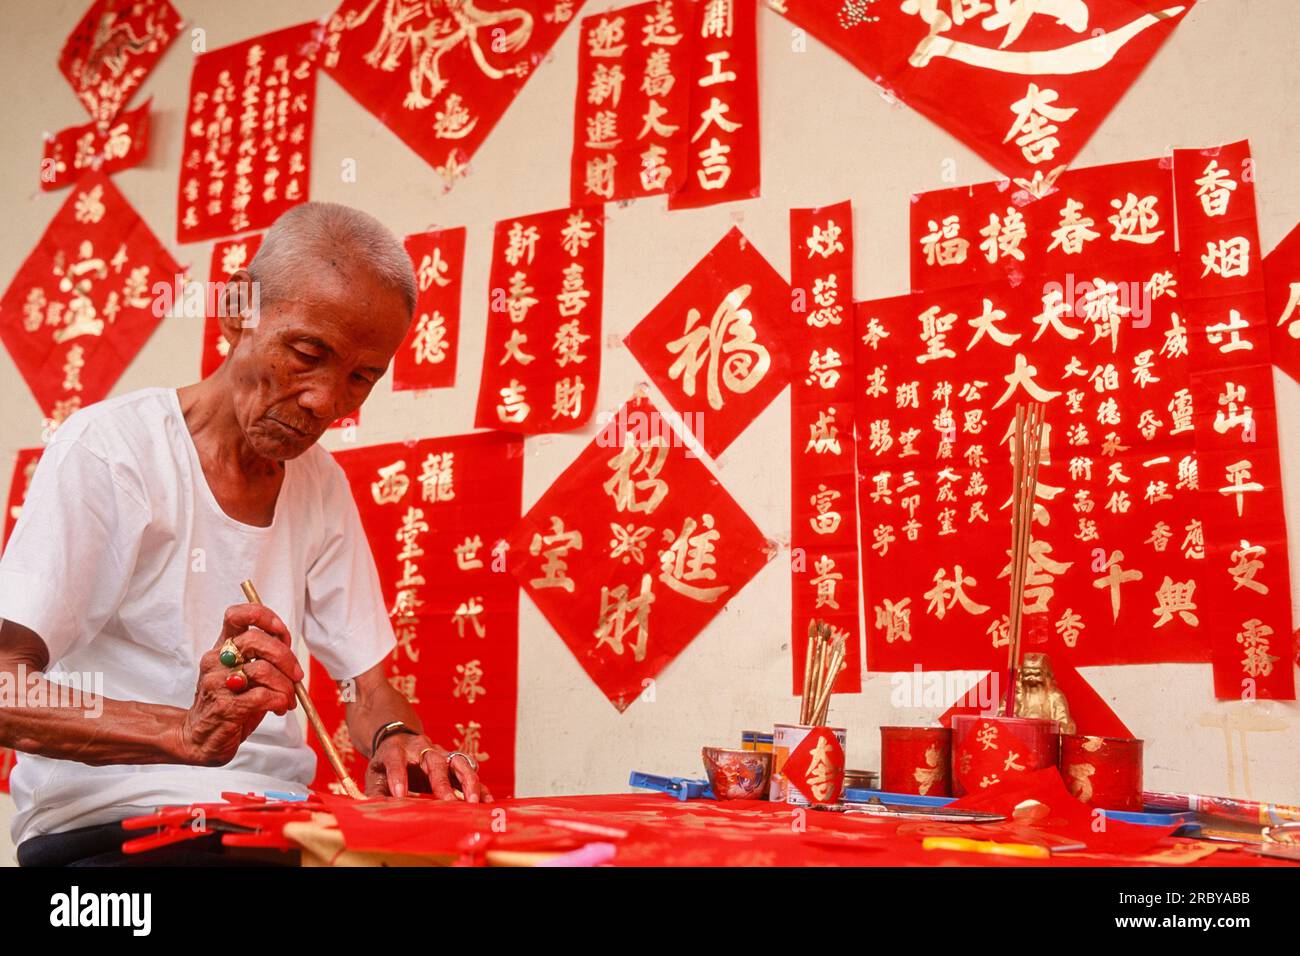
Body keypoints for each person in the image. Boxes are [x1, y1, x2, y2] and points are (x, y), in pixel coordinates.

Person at [0, 202, 490, 866]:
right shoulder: (113, 451)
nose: (325, 401)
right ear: (238, 306)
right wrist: (183, 734)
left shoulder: (320, 486)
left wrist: (397, 738)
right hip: (116, 829)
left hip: (273, 830)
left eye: (360, 378)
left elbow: (365, 689)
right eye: (306, 353)